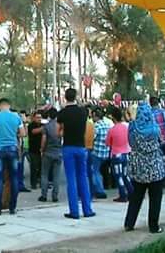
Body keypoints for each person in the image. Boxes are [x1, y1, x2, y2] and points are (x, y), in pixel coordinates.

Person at [123, 103, 165, 234]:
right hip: (155, 166)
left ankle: (129, 223)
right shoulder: (155, 128)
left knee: (136, 196)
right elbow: (162, 142)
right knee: (155, 198)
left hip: (139, 167)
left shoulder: (133, 127)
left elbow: (131, 143)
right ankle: (154, 226)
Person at [58, 88, 94, 220]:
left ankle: (74, 211)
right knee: (83, 177)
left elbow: (58, 132)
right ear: (76, 97)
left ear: (65, 97)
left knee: (71, 179)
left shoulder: (62, 113)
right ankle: (87, 209)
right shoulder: (83, 112)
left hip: (68, 147)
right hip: (81, 147)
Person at [0, 98, 25, 216]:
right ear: (9, 105)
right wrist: (14, 134)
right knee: (14, 178)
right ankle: (12, 207)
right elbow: (23, 133)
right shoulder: (16, 117)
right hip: (13, 149)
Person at [106, 106, 132, 202]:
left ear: (113, 118)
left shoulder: (112, 129)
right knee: (126, 175)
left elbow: (108, 143)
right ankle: (131, 192)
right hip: (126, 154)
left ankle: (122, 194)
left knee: (118, 175)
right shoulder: (126, 127)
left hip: (116, 154)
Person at [149, 97, 165, 192]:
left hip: (158, 142)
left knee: (158, 164)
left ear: (150, 104)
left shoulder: (150, 114)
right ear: (158, 103)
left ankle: (160, 186)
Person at [38, 108, 62, 203]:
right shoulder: (59, 126)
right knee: (56, 175)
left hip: (48, 152)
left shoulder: (46, 127)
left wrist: (42, 149)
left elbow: (44, 140)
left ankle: (44, 195)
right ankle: (55, 196)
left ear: (48, 115)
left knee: (45, 174)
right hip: (58, 152)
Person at [89, 108, 111, 199]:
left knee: (95, 171)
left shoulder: (96, 126)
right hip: (106, 152)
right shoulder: (107, 125)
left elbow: (92, 138)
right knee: (100, 171)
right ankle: (100, 187)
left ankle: (99, 190)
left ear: (96, 116)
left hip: (97, 152)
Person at [27, 111, 44, 190]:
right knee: (34, 167)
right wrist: (44, 128)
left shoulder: (42, 125)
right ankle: (33, 183)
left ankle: (41, 182)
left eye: (40, 117)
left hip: (42, 150)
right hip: (33, 150)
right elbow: (34, 131)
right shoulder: (31, 125)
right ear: (33, 118)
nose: (39, 119)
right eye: (37, 117)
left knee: (41, 168)